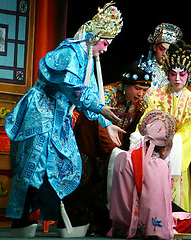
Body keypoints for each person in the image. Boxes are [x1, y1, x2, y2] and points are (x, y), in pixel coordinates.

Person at [4, 2, 123, 238]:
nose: (106, 49)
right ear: (95, 36)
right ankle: (24, 219)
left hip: (59, 116)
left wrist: (107, 125)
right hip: (40, 111)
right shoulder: (69, 52)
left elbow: (89, 96)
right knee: (34, 165)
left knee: (64, 163)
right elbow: (75, 90)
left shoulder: (87, 58)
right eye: (105, 43)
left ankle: (60, 218)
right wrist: (101, 109)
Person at [60, 59, 152, 236]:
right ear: (126, 84)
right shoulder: (106, 94)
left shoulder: (142, 102)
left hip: (115, 146)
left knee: (107, 181)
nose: (141, 94)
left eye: (145, 90)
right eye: (137, 89)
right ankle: (75, 222)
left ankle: (102, 223)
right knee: (84, 177)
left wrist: (128, 152)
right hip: (89, 140)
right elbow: (97, 124)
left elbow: (133, 130)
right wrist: (116, 152)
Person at [110, 110, 191, 239]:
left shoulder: (123, 156)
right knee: (190, 219)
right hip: (145, 222)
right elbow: (157, 204)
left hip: (122, 222)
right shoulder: (157, 165)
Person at [136, 40, 191, 215]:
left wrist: (169, 144)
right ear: (168, 73)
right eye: (173, 74)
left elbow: (188, 133)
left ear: (188, 74)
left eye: (182, 74)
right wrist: (141, 138)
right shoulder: (156, 96)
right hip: (155, 153)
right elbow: (147, 122)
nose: (178, 79)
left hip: (177, 156)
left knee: (178, 190)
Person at [146, 23, 183, 95]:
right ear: (154, 47)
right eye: (162, 49)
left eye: (169, 51)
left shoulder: (176, 73)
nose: (165, 54)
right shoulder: (144, 68)